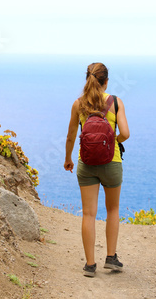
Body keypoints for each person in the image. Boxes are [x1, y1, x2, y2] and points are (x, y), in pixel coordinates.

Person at [64, 62, 130, 277]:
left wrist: (68, 159)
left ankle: (90, 265)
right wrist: (113, 140)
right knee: (112, 210)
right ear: (106, 82)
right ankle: (111, 258)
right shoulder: (116, 102)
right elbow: (126, 133)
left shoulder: (78, 104)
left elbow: (71, 136)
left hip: (87, 163)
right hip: (112, 162)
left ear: (87, 79)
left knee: (89, 214)